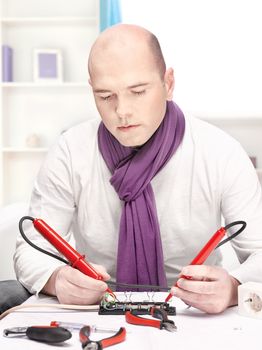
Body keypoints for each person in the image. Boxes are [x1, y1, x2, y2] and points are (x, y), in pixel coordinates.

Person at [13, 24, 262, 314]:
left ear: (168, 83)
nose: (122, 111)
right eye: (106, 96)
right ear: (92, 90)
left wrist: (232, 288)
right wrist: (57, 280)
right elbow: (30, 250)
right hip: (98, 309)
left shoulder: (222, 152)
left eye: (138, 91)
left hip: (195, 313)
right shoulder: (69, 151)